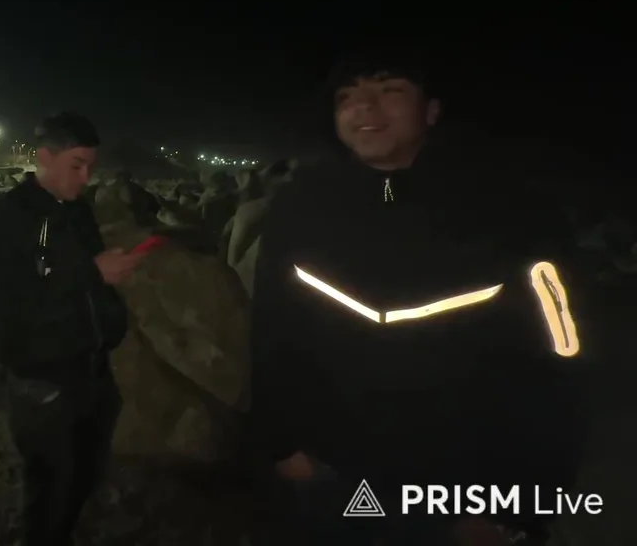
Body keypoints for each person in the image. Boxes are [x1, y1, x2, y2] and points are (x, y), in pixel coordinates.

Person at [251, 53, 586, 545]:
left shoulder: (516, 211)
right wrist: (281, 445)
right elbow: (271, 329)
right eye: (346, 96)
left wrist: (520, 506)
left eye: (389, 89)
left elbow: (562, 360)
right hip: (330, 474)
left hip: (466, 487)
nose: (364, 106)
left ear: (431, 110)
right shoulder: (298, 205)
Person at [0, 112, 144, 545]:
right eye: (76, 165)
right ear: (44, 157)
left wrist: (109, 290)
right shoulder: (11, 212)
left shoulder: (78, 211)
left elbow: (82, 281)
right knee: (50, 490)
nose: (86, 178)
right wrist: (92, 273)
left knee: (84, 474)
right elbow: (0, 300)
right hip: (43, 381)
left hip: (90, 370)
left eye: (91, 166)